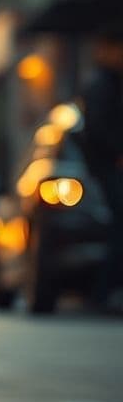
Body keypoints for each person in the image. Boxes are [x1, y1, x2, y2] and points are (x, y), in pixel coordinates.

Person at [80, 29, 123, 311]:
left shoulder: (111, 83)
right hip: (108, 168)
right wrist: (117, 154)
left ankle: (104, 291)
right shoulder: (100, 85)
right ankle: (103, 292)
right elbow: (98, 130)